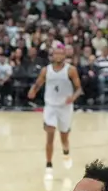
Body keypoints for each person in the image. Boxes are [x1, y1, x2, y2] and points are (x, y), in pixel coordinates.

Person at [28, 45, 82, 175]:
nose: (58, 56)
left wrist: (73, 97)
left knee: (64, 138)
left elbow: (79, 89)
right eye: (56, 54)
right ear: (52, 56)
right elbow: (38, 83)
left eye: (61, 54)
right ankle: (49, 165)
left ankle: (66, 153)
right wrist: (33, 90)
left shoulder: (71, 70)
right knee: (50, 134)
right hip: (50, 106)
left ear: (64, 55)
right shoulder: (46, 70)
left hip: (65, 108)